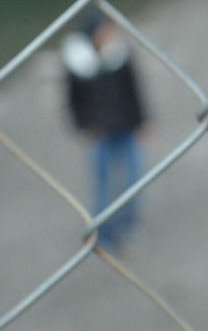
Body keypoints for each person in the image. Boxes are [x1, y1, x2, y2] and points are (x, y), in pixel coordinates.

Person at [62, 13, 148, 250]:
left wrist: (142, 122)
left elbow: (133, 90)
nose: (110, 33)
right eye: (105, 29)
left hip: (126, 128)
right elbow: (73, 101)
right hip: (100, 134)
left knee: (133, 180)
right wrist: (85, 126)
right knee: (102, 186)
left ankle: (128, 226)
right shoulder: (77, 63)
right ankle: (104, 234)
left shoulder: (119, 55)